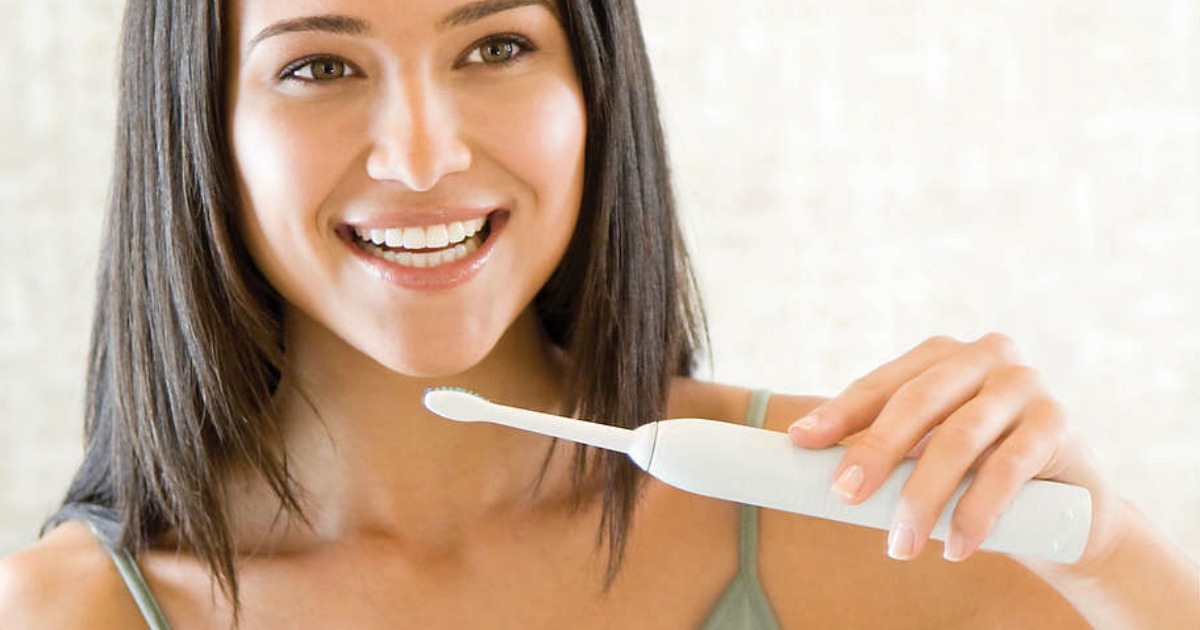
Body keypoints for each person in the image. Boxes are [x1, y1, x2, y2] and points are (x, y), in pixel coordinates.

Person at [1, 0, 1196, 627]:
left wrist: (1111, 555)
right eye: (319, 66)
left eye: (497, 44)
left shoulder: (854, 511)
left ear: (596, 89)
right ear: (199, 124)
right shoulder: (71, 612)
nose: (421, 154)